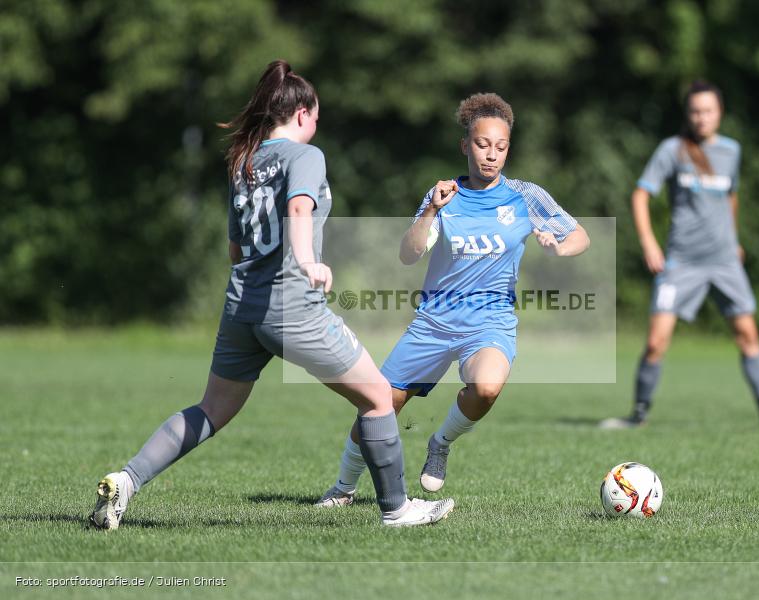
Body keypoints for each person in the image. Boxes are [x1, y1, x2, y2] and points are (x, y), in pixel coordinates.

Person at [89, 60, 454, 529]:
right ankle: (398, 510)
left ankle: (125, 480)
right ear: (301, 114)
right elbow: (299, 208)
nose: (317, 124)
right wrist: (307, 261)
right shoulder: (306, 156)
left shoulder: (244, 161)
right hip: (291, 305)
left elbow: (235, 247)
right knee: (379, 397)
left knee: (211, 410)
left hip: (242, 305)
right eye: (317, 116)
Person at [316, 93, 590, 507]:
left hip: (490, 322)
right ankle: (344, 487)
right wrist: (429, 211)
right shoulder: (444, 194)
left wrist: (557, 249)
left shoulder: (524, 196)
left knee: (488, 386)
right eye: (482, 145)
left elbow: (579, 236)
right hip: (434, 322)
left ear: (508, 149)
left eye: (500, 147)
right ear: (466, 145)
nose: (491, 155)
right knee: (380, 404)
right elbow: (408, 255)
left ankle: (440, 443)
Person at [599, 80, 759, 430]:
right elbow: (641, 195)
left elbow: (731, 196)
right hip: (681, 261)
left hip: (725, 260)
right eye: (695, 111)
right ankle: (637, 415)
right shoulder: (672, 150)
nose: (701, 117)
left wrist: (735, 238)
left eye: (708, 111)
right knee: (656, 341)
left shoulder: (732, 151)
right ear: (688, 114)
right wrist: (650, 243)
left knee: (748, 335)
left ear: (720, 113)